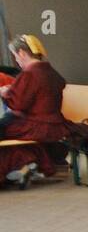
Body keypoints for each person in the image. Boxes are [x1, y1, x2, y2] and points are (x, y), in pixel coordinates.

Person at [1, 35, 74, 186]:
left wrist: (5, 93)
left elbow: (18, 104)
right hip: (56, 124)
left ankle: (23, 163)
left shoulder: (29, 74)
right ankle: (25, 163)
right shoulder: (50, 72)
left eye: (15, 56)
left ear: (22, 53)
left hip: (36, 125)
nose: (16, 60)